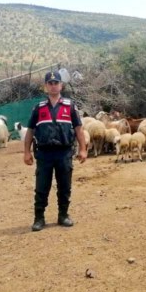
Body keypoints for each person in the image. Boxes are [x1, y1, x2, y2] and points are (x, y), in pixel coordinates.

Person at [23, 71, 88, 232]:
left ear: (61, 85)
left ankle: (63, 215)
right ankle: (39, 218)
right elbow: (30, 131)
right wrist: (26, 152)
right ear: (45, 86)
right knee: (41, 186)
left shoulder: (70, 106)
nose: (53, 86)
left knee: (65, 186)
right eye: (50, 83)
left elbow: (79, 129)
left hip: (64, 152)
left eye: (56, 83)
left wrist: (83, 149)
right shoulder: (38, 108)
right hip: (44, 154)